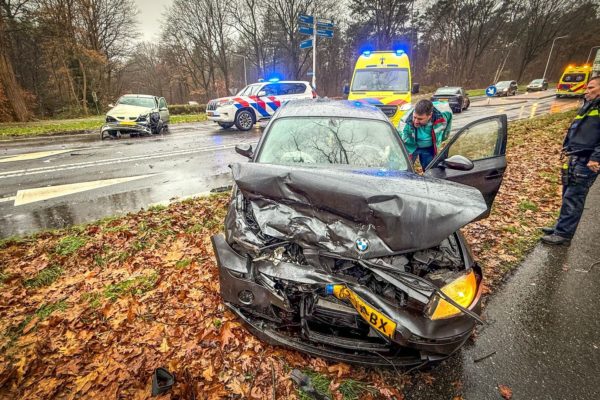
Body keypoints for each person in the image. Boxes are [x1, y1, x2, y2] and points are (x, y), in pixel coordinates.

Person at [541, 75, 600, 245]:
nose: (586, 90)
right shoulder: (590, 105)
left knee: (574, 197)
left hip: (587, 160)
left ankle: (564, 235)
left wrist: (596, 158)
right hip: (575, 156)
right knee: (567, 194)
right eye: (587, 87)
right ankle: (560, 226)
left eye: (591, 88)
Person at [398, 99, 452, 168]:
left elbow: (447, 128)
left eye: (420, 119)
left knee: (429, 169)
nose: (416, 121)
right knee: (405, 168)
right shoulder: (405, 122)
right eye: (414, 117)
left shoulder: (444, 114)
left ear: (430, 115)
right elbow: (399, 141)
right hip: (410, 146)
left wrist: (443, 138)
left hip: (428, 148)